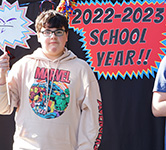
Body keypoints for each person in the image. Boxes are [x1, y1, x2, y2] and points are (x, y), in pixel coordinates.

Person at [0, 10, 103, 150]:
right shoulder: (23, 66)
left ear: (67, 36)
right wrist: (1, 76)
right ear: (38, 36)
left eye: (59, 32)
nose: (53, 36)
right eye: (47, 32)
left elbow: (93, 115)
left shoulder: (81, 69)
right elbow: (3, 108)